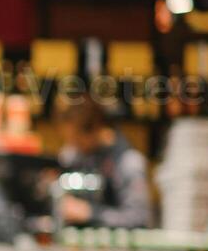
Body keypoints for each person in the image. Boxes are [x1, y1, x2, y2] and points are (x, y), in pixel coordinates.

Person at [51, 98, 152, 229]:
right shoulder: (73, 155)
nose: (73, 146)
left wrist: (91, 213)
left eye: (77, 140)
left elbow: (138, 218)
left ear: (96, 129)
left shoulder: (128, 163)